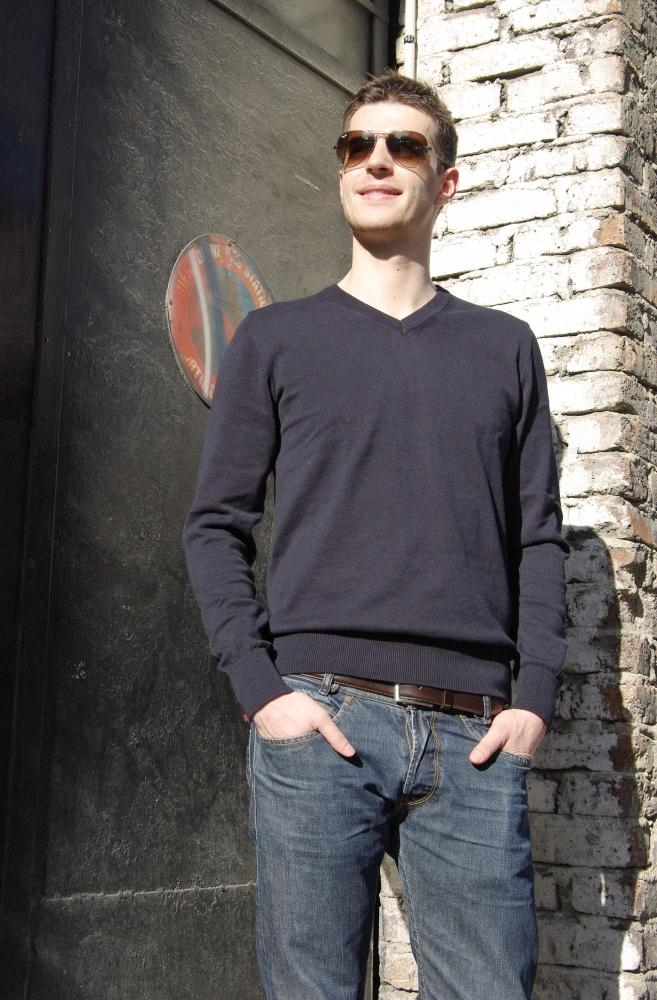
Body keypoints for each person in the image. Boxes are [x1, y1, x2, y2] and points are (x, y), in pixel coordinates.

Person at [183, 69, 569, 1000]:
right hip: (319, 721)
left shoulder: (504, 347)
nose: (377, 161)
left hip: (475, 735)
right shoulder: (275, 340)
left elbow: (539, 540)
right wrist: (262, 693)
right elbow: (216, 524)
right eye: (358, 146)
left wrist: (533, 701)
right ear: (341, 171)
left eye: (405, 146)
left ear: (446, 181)